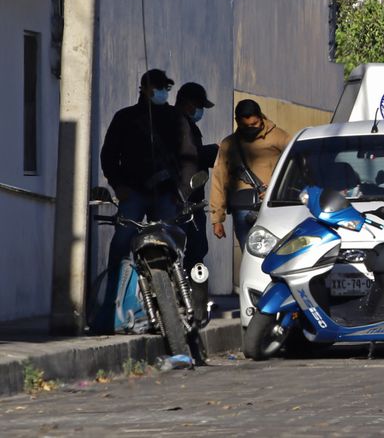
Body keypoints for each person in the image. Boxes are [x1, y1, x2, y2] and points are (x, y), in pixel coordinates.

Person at [93, 69, 190, 333]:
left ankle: (177, 299)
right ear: (144, 88)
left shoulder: (175, 118)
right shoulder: (125, 118)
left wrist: (181, 190)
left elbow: (188, 157)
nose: (162, 92)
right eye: (157, 87)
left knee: (174, 245)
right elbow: (109, 155)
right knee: (123, 242)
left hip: (167, 194)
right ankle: (113, 302)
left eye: (165, 87)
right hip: (133, 192)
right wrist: (118, 186)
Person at [210, 99, 291, 249]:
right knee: (249, 253)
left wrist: (277, 190)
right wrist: (217, 219)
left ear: (261, 118)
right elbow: (219, 180)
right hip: (242, 208)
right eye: (244, 126)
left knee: (277, 251)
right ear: (237, 122)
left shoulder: (280, 137)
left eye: (253, 125)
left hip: (272, 205)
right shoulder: (229, 144)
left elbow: (297, 167)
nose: (249, 129)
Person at [174, 82, 218, 277]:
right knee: (192, 250)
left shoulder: (186, 124)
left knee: (197, 250)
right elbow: (189, 156)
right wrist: (213, 152)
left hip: (191, 198)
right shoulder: (178, 123)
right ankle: (191, 294)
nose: (200, 111)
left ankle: (194, 296)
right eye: (199, 105)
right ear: (188, 103)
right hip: (183, 199)